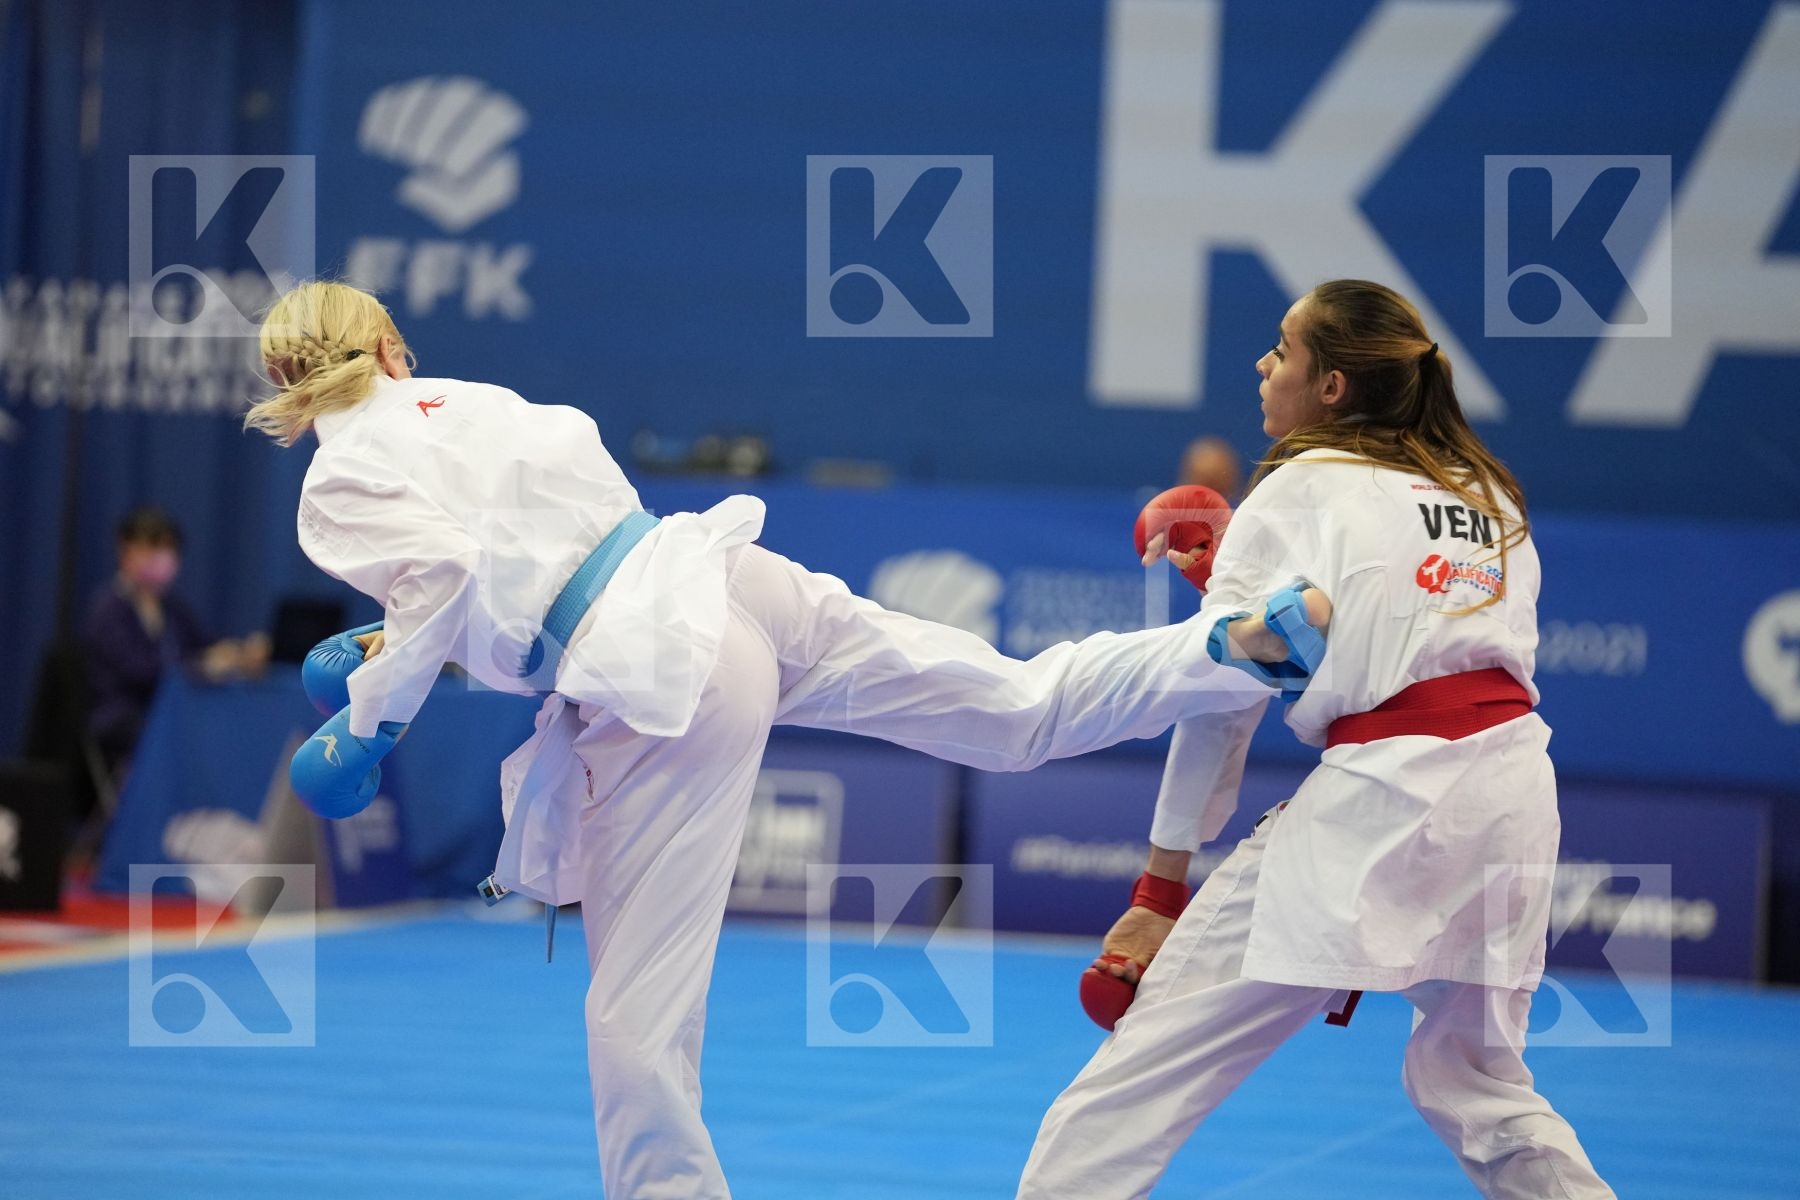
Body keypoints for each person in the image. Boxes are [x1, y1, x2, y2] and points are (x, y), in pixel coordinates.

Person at [244, 281, 1331, 1200]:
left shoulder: (338, 473)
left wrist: (371, 719)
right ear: (391, 346)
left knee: (637, 1022)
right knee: (1014, 706)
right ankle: (1222, 649)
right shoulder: (469, 400)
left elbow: (452, 578)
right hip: (715, 576)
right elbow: (503, 573)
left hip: (658, 672)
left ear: (288, 390)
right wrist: (396, 643)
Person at [1017, 280, 1615, 1199]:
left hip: (1385, 800)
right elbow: (1412, 629)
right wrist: (1242, 582)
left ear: (1332, 386)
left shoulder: (1298, 484)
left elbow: (1221, 698)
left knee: (1133, 1087)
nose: (1263, 364)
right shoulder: (1488, 493)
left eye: (1283, 349)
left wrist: (1160, 886)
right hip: (1511, 792)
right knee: (1479, 1084)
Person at [83, 507, 268, 775]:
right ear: (125, 548)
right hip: (123, 715)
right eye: (152, 546)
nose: (161, 557)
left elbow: (205, 645)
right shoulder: (108, 609)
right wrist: (202, 664)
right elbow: (139, 672)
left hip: (171, 709)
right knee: (191, 732)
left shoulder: (172, 608)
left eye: (168, 549)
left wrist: (238, 654)